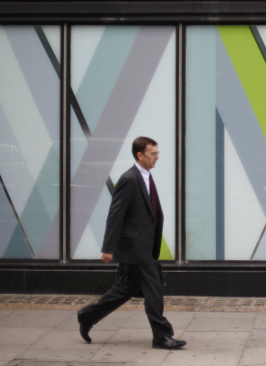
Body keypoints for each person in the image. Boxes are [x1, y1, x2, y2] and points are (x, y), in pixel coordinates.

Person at [77, 137, 186, 350]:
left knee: (126, 288)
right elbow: (115, 215)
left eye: (157, 152)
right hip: (135, 247)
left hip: (143, 244)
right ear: (140, 155)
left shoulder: (146, 176)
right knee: (154, 288)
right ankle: (161, 335)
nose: (157, 157)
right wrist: (108, 248)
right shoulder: (129, 179)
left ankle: (88, 316)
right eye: (153, 153)